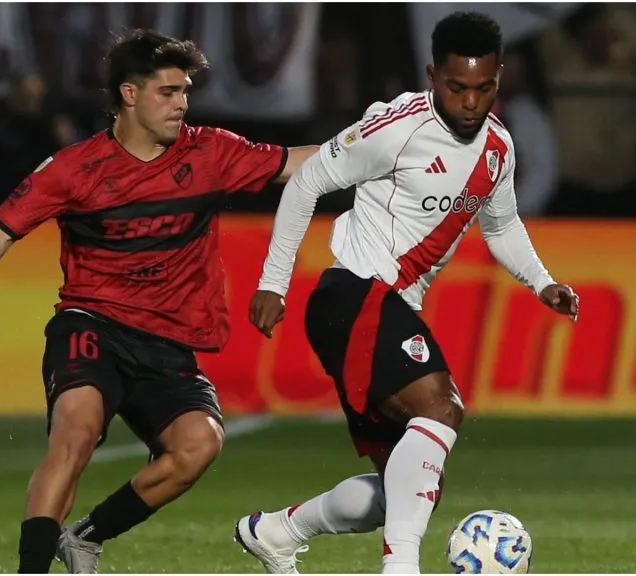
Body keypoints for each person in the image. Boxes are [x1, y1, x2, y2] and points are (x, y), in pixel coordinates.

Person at [0, 29, 317, 574]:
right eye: (168, 92)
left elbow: (302, 163)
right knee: (76, 431)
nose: (182, 103)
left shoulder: (211, 152)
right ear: (129, 95)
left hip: (169, 344)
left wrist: (379, 142)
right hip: (92, 324)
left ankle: (86, 536)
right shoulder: (75, 167)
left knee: (197, 447)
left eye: (185, 91)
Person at [233, 12, 579, 574]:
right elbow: (307, 181)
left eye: (484, 88)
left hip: (381, 307)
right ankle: (401, 569)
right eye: (457, 87)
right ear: (432, 76)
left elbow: (502, 226)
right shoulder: (396, 128)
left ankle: (277, 531)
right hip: (355, 294)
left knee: (408, 488)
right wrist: (274, 280)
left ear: (498, 79)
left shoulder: (497, 147)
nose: (471, 102)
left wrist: (541, 282)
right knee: (441, 406)